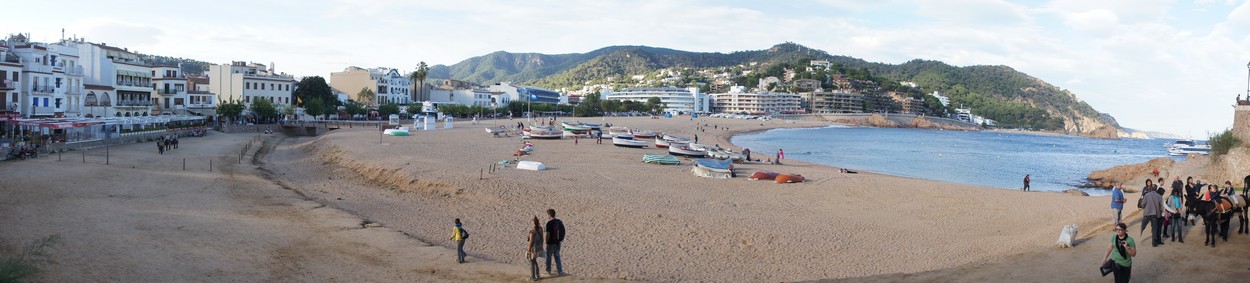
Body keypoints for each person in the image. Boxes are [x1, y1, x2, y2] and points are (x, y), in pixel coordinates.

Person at [1140, 179, 1164, 247]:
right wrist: (1159, 215)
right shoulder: (1159, 196)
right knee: (1154, 229)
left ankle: (1140, 238)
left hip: (1147, 213)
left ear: (1151, 189)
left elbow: (1142, 204)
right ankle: (1154, 243)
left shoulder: (1147, 195)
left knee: (1143, 226)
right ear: (1156, 189)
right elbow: (1161, 207)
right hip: (1154, 214)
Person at [544, 208, 566, 277]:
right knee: (557, 256)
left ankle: (548, 271)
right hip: (558, 242)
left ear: (549, 215)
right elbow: (563, 231)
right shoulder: (559, 221)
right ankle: (560, 271)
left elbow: (548, 234)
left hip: (551, 243)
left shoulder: (549, 223)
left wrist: (546, 241)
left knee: (548, 257)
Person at [527, 216, 544, 281]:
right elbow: (542, 238)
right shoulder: (540, 228)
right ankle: (537, 274)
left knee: (531, 261)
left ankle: (533, 276)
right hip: (539, 248)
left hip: (533, 249)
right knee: (534, 260)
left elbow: (531, 242)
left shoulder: (532, 231)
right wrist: (541, 246)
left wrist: (528, 250)